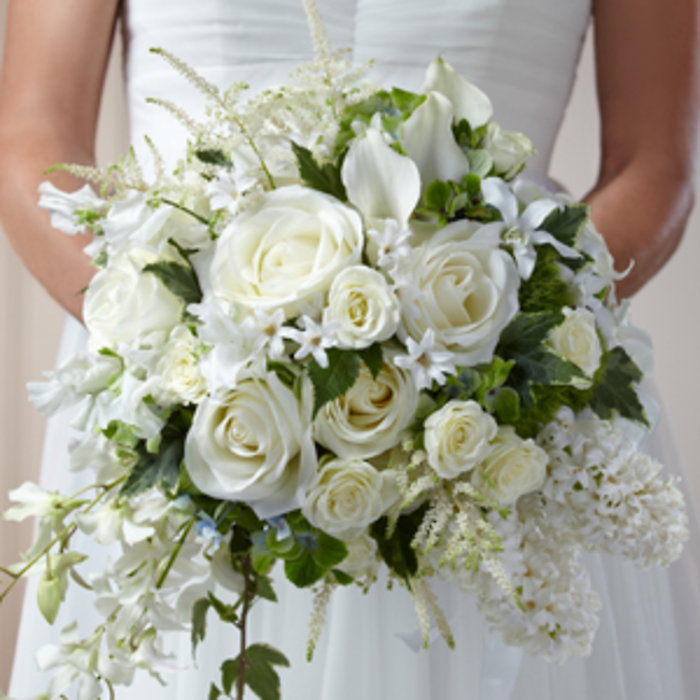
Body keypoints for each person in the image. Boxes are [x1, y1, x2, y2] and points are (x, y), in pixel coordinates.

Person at [1, 0, 699, 698]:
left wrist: (505, 332)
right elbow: (33, 135)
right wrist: (179, 340)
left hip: (501, 390)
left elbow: (654, 162)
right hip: (184, 386)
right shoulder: (179, 357)